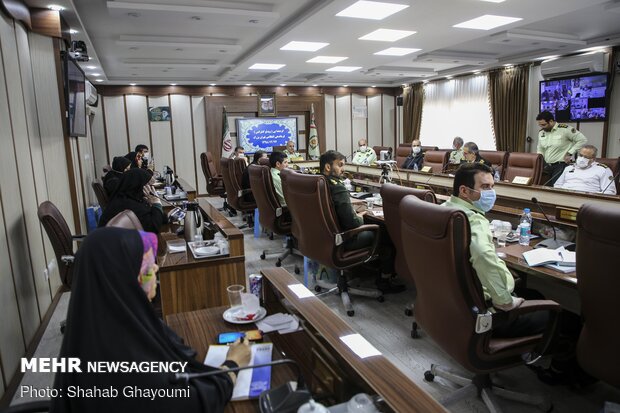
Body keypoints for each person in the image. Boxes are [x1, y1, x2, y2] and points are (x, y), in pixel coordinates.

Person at [50, 227, 251, 413]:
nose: (155, 268)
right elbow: (193, 403)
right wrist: (233, 365)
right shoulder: (122, 363)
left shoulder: (98, 323)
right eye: (146, 268)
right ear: (123, 277)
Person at [442, 163, 547, 337]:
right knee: (560, 316)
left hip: (454, 303)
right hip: (486, 309)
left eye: (492, 186)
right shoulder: (473, 220)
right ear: (464, 191)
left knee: (534, 294)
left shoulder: (444, 208)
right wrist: (505, 302)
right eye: (484, 187)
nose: (491, 192)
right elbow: (483, 254)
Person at [320, 150, 403, 294]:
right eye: (340, 165)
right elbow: (353, 223)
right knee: (387, 233)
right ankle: (384, 280)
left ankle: (370, 271)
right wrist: (361, 215)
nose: (343, 169)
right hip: (346, 238)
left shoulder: (318, 182)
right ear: (328, 167)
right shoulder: (337, 187)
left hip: (326, 237)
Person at [98, 168, 167, 233]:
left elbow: (151, 216)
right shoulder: (128, 204)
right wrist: (156, 203)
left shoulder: (126, 197)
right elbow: (153, 227)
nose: (151, 189)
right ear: (138, 185)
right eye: (148, 185)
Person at [536, 111, 587, 186]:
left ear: (551, 121)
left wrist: (570, 153)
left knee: (556, 188)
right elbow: (540, 148)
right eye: (540, 125)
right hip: (546, 166)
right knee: (544, 188)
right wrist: (539, 161)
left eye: (544, 125)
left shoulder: (565, 129)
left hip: (561, 165)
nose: (542, 127)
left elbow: (582, 140)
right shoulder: (541, 133)